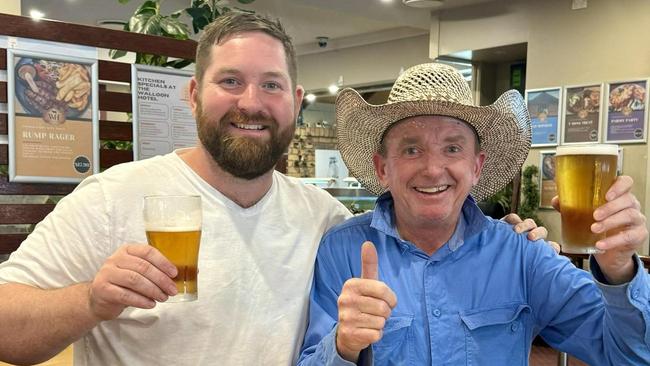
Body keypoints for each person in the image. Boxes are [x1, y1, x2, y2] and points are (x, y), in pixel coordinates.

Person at [0, 13, 552, 365]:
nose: (251, 103)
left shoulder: (325, 218)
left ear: (294, 100)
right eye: (230, 81)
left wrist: (496, 240)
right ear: (194, 94)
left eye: (271, 85)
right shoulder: (113, 197)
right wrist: (90, 301)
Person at [298, 63, 650, 365]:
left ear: (476, 166)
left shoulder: (521, 253)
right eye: (411, 149)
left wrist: (619, 270)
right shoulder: (341, 251)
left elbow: (628, 355)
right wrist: (343, 346)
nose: (434, 169)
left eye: (452, 148)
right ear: (382, 168)